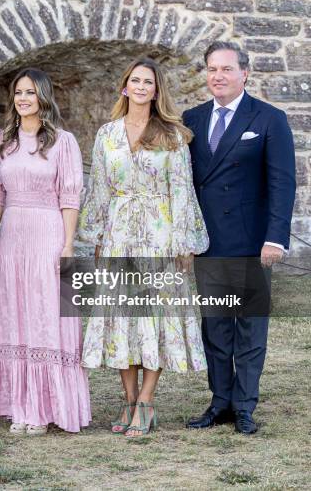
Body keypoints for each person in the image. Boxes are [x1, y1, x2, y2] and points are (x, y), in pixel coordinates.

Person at [78, 57, 209, 438]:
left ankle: (147, 401)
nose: (140, 87)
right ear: (124, 86)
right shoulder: (107, 134)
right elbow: (99, 187)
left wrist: (184, 242)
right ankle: (128, 398)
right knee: (123, 316)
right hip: (119, 234)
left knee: (155, 315)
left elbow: (182, 190)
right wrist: (97, 235)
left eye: (147, 82)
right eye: (134, 80)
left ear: (156, 90)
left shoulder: (172, 134)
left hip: (160, 233)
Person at [183, 41, 296, 434]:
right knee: (215, 327)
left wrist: (276, 238)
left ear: (244, 73)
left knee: (249, 328)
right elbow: (185, 184)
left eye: (226, 69)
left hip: (252, 243)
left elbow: (283, 183)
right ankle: (221, 402)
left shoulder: (268, 118)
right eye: (212, 69)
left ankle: (245, 406)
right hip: (208, 243)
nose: (218, 76)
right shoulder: (192, 119)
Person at [0, 68, 91, 435]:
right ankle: (20, 406)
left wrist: (68, 245)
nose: (23, 98)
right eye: (18, 92)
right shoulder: (2, 140)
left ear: (43, 96)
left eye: (30, 92)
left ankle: (48, 408)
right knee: (16, 314)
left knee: (48, 315)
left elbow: (70, 196)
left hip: (48, 234)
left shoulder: (63, 141)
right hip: (13, 234)